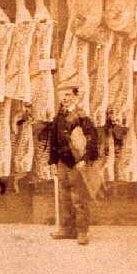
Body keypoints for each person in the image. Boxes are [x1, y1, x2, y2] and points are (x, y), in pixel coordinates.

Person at [48, 85, 99, 245]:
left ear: (76, 97)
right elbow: (53, 140)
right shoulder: (58, 117)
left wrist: (85, 159)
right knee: (64, 197)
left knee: (79, 199)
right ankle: (66, 229)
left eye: (68, 95)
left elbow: (93, 139)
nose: (65, 98)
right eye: (62, 95)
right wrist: (52, 161)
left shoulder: (82, 117)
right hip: (63, 162)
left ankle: (82, 231)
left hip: (77, 162)